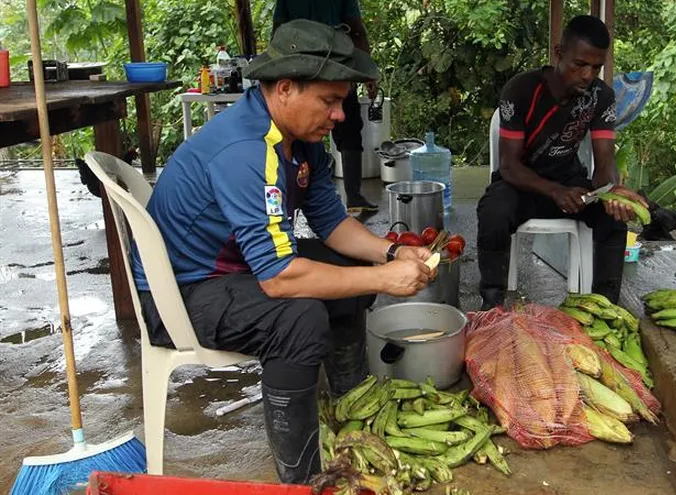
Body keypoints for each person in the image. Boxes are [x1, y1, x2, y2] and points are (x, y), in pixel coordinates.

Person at [131, 20, 435, 484]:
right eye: (329, 101)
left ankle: (351, 405)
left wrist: (390, 254)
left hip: (234, 270)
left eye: (341, 102)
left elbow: (333, 224)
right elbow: (278, 278)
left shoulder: (300, 139)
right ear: (287, 89)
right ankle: (304, 478)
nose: (338, 115)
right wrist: (382, 279)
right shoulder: (246, 150)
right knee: (298, 318)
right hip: (181, 295)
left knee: (350, 268)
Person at [477, 15, 647, 310]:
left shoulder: (601, 97)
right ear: (559, 53)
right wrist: (554, 191)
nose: (587, 75)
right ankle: (492, 305)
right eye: (579, 64)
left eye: (596, 67)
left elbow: (604, 160)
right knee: (494, 211)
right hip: (521, 184)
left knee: (613, 219)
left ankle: (606, 309)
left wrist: (610, 190)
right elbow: (508, 166)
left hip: (571, 186)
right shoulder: (520, 91)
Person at [273, 0, 380, 213]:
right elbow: (356, 30)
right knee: (347, 129)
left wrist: (277, 68)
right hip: (335, 67)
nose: (336, 113)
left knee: (300, 133)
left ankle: (294, 197)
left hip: (300, 69)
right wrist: (367, 72)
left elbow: (278, 33)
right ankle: (353, 194)